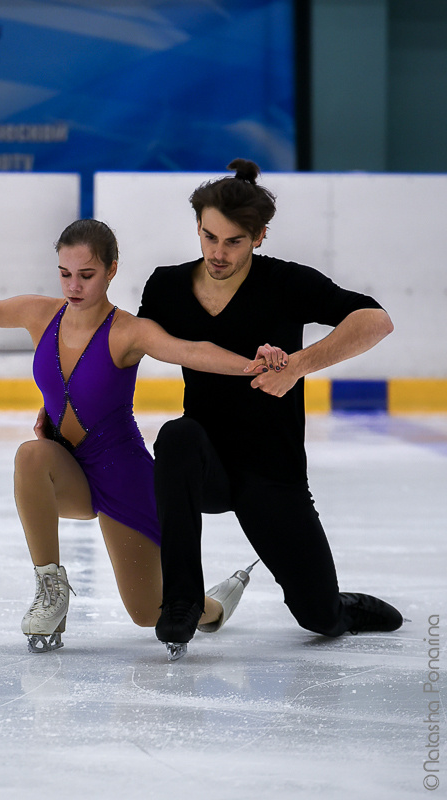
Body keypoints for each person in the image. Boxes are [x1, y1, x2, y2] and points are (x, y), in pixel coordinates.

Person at [0, 218, 287, 653]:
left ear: (111, 270)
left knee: (148, 613)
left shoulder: (129, 331)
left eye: (86, 275)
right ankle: (51, 589)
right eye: (65, 274)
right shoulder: (40, 314)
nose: (74, 286)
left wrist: (252, 366)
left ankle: (214, 606)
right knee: (31, 456)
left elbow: (191, 351)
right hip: (70, 471)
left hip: (123, 477)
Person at [136, 158, 404, 659]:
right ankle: (181, 603)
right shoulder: (166, 286)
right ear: (197, 227)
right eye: (209, 236)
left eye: (233, 241)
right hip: (206, 466)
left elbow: (376, 320)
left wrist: (297, 365)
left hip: (272, 473)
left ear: (259, 237)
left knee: (320, 620)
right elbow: (130, 346)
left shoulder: (286, 283)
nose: (218, 252)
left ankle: (338, 605)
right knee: (177, 436)